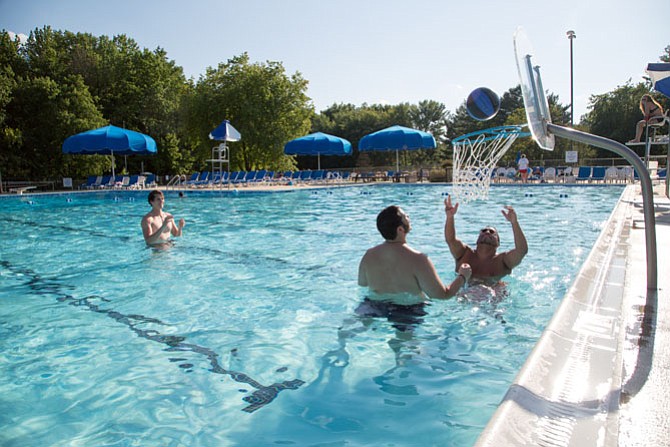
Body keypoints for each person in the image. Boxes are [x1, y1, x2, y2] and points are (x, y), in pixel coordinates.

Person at [358, 205, 472, 301]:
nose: (408, 217)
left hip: (374, 306)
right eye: (405, 216)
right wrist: (462, 276)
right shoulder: (418, 259)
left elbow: (362, 285)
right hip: (408, 312)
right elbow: (442, 295)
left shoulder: (369, 255)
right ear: (400, 230)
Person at [443, 195, 527, 280]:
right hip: (466, 292)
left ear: (498, 243)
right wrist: (450, 217)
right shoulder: (464, 253)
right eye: (483, 231)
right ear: (477, 240)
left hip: (494, 291)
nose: (487, 232)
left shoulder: (503, 261)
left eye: (492, 232)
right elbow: (450, 240)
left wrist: (514, 223)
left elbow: (522, 250)